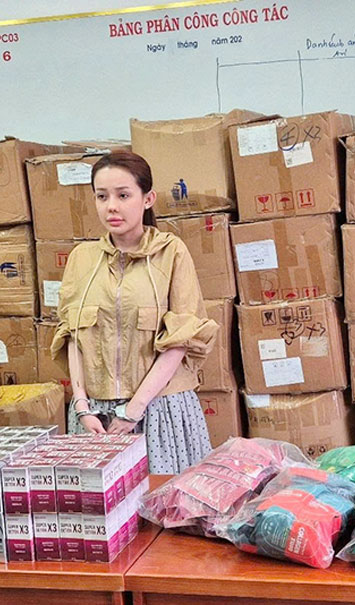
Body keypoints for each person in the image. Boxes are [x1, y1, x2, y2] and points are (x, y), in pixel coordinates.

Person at [51, 151, 218, 474]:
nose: (111, 206)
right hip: (94, 418)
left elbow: (181, 339)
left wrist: (135, 408)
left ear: (147, 199)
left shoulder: (171, 252)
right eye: (102, 196)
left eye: (123, 195)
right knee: (105, 504)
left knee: (164, 501)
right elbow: (73, 335)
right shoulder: (82, 258)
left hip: (160, 411)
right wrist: (80, 403)